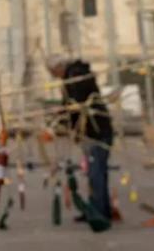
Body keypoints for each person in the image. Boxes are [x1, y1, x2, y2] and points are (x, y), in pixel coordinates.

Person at [48, 56, 113, 221]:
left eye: (53, 72)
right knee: (95, 173)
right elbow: (71, 105)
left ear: (58, 68)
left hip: (96, 132)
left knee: (96, 173)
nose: (53, 76)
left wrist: (62, 113)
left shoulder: (75, 76)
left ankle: (98, 212)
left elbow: (76, 104)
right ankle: (99, 209)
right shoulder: (73, 76)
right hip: (91, 132)